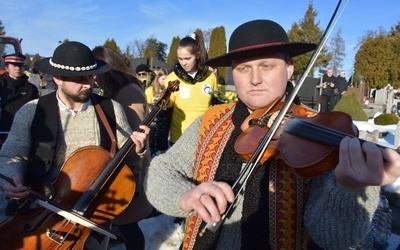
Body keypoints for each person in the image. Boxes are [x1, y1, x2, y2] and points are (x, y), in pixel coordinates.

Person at [143, 19, 400, 249]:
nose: (255, 79)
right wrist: (185, 195)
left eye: (266, 66)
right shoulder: (211, 121)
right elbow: (161, 171)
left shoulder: (321, 133)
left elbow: (334, 239)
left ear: (289, 68)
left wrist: (348, 189)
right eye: (243, 68)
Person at [0, 41, 149, 248]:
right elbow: (11, 154)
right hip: (39, 213)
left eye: (90, 76)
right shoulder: (32, 111)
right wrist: (12, 176)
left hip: (89, 219)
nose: (88, 84)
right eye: (79, 79)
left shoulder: (111, 109)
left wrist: (138, 150)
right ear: (58, 79)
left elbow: (125, 163)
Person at [92, 45, 152, 250]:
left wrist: (132, 175)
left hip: (130, 169)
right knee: (124, 224)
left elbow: (134, 139)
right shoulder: (122, 90)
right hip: (124, 167)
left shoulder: (128, 94)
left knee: (128, 225)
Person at [165, 32, 218, 145]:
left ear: (197, 55)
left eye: (188, 58)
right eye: (180, 59)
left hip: (204, 137)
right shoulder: (171, 79)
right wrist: (161, 142)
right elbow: (165, 114)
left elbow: (216, 107)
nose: (183, 63)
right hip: (179, 139)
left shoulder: (210, 77)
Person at [0, 53, 39, 135]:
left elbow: (36, 110)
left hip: (22, 132)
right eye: (14, 66)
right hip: (2, 131)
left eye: (20, 66)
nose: (18, 68)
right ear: (7, 68)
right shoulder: (2, 85)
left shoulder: (31, 88)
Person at [145, 68, 171, 156]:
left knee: (162, 140)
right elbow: (147, 104)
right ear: (158, 78)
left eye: (166, 79)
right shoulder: (150, 90)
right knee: (151, 140)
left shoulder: (168, 90)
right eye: (163, 79)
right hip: (153, 120)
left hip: (163, 120)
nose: (165, 81)